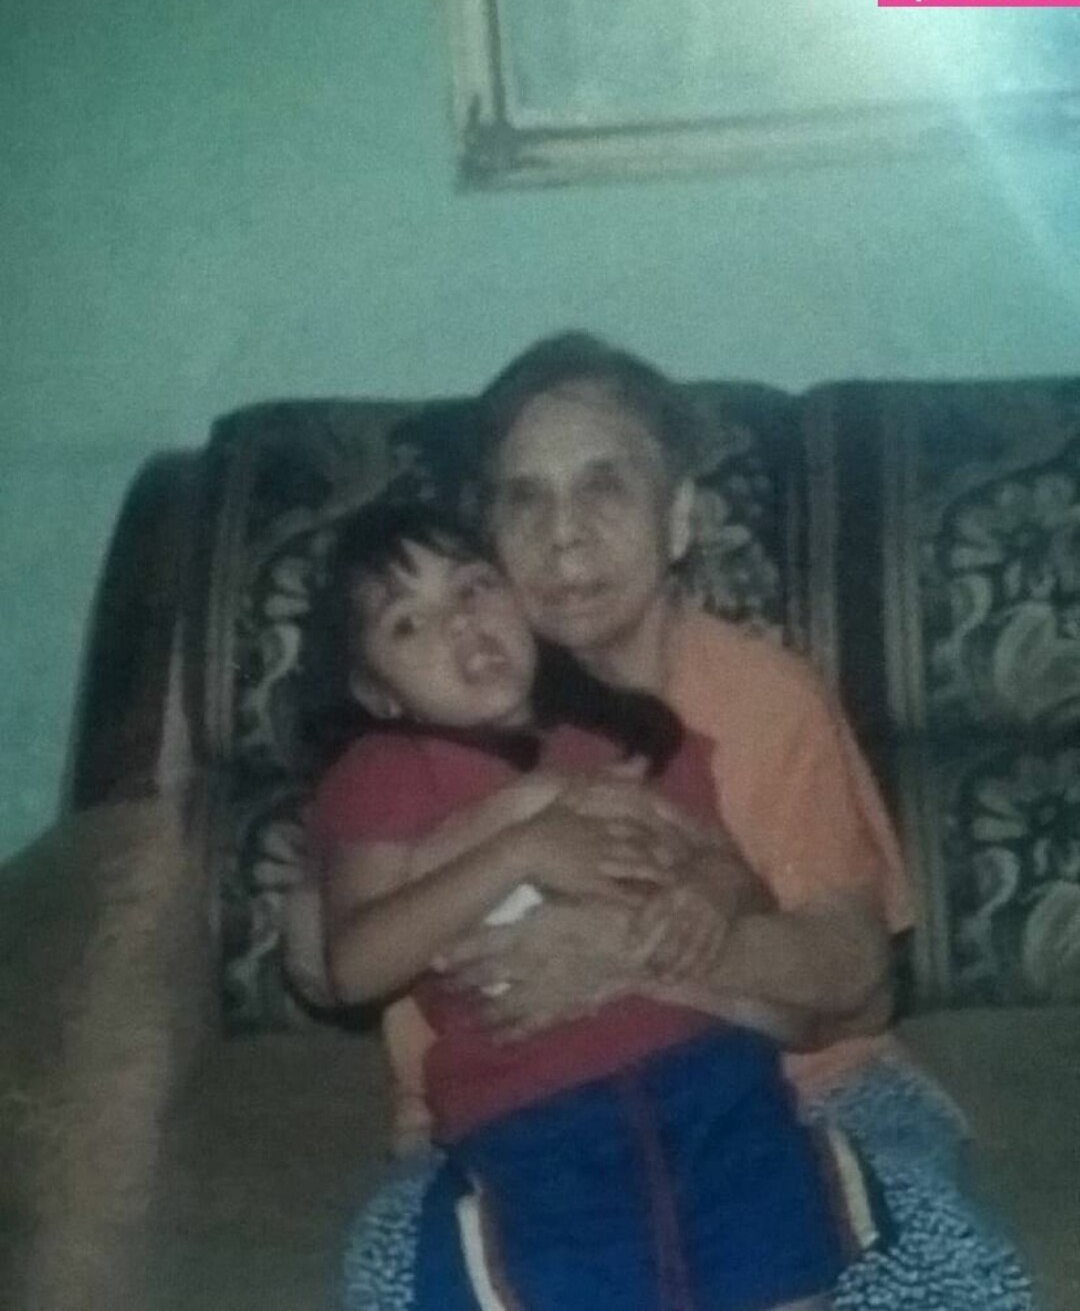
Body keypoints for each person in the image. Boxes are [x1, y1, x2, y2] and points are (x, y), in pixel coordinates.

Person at [308, 333, 1032, 1311]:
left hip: (808, 1086)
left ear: (678, 515)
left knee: (928, 1268)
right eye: (525, 498)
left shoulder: (765, 698)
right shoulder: (412, 730)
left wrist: (633, 956)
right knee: (400, 1280)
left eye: (604, 486)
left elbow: (857, 985)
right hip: (505, 1133)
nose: (564, 534)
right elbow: (323, 955)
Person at [307, 499, 870, 1311]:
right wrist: (522, 848)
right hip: (534, 1116)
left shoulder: (625, 743)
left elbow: (738, 878)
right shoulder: (386, 773)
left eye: (472, 587)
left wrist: (710, 900)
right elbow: (353, 966)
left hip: (715, 1078)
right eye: (407, 623)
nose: (459, 624)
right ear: (378, 692)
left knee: (789, 1275)